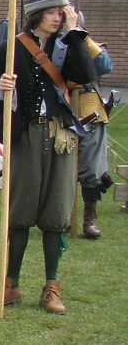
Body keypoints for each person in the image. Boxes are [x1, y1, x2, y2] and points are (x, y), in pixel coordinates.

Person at [0, 0, 93, 314]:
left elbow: (86, 76)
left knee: (56, 213)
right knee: (21, 212)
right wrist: (1, 89)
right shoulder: (8, 50)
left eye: (62, 12)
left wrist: (75, 32)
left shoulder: (68, 45)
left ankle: (51, 288)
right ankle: (10, 286)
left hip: (61, 138)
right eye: (55, 12)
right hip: (25, 135)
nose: (59, 17)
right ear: (38, 14)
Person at [71, 16, 113, 239]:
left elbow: (104, 66)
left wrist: (82, 38)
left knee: (91, 170)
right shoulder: (54, 45)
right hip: (62, 111)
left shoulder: (90, 45)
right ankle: (62, 216)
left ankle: (89, 217)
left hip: (90, 113)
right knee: (61, 171)